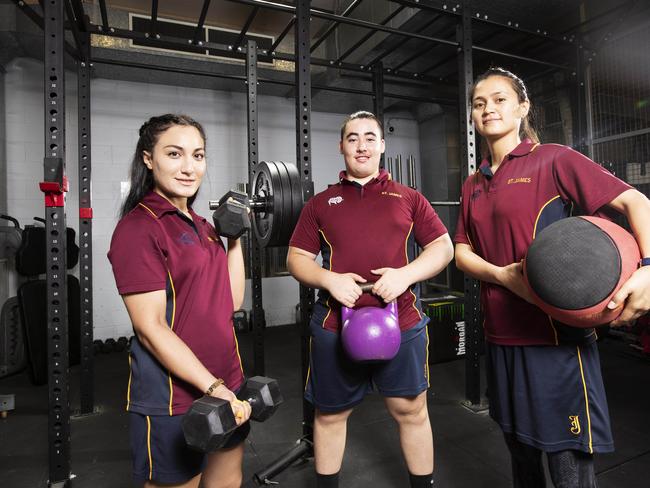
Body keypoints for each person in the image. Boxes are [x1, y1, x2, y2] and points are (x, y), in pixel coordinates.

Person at [454, 67, 650, 487]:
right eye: (479, 102)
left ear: (523, 107)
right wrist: (503, 277)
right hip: (500, 337)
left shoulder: (555, 159)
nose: (489, 108)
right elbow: (461, 252)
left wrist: (649, 271)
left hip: (555, 339)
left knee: (568, 466)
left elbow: (637, 202)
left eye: (500, 99)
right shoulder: (472, 184)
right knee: (520, 456)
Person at [287, 111, 454, 488]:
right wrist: (329, 279)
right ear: (341, 146)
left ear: (382, 145)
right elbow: (295, 258)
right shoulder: (320, 203)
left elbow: (443, 248)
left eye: (369, 137)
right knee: (330, 415)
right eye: (352, 138)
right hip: (334, 325)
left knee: (411, 411)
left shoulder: (409, 198)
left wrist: (405, 275)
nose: (361, 145)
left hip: (403, 321)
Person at [108, 114, 252, 488]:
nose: (189, 167)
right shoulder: (139, 228)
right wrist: (213, 387)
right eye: (175, 154)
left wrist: (234, 239)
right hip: (175, 397)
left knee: (227, 479)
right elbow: (150, 328)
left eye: (198, 155)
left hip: (226, 380)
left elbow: (231, 301)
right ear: (148, 159)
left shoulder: (204, 226)